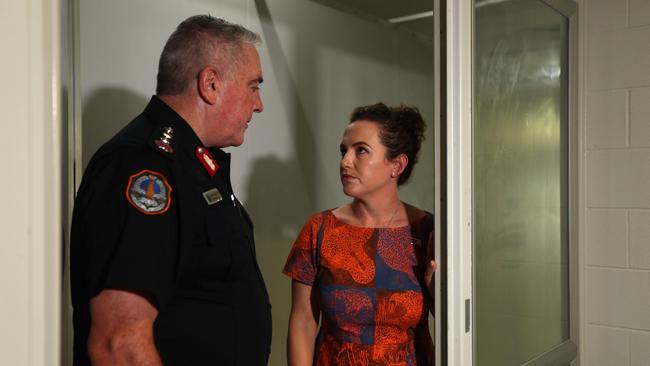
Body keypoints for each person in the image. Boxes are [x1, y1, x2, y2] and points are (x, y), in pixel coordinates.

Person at [70, 15, 271, 366]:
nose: (258, 104)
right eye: (253, 86)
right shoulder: (143, 167)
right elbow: (120, 344)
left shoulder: (190, 164)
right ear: (210, 84)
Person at [284, 103, 437, 366]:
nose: (345, 162)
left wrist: (438, 292)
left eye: (361, 151)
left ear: (397, 165)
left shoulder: (428, 231)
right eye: (344, 151)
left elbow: (454, 325)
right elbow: (303, 322)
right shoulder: (319, 230)